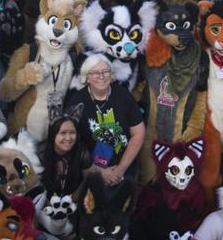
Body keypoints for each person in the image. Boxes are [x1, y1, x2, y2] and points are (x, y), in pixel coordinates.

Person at [64, 56, 145, 195]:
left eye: (105, 72)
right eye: (95, 73)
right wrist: (98, 172)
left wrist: (121, 169)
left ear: (111, 75)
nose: (101, 76)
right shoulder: (77, 102)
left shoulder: (123, 95)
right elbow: (70, 142)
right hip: (90, 169)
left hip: (124, 166)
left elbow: (138, 133)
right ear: (87, 77)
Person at [39, 115, 91, 203]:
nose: (68, 138)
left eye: (72, 132)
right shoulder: (40, 155)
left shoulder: (82, 153)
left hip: (73, 204)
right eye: (63, 133)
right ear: (53, 134)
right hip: (45, 206)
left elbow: (87, 180)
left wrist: (71, 200)